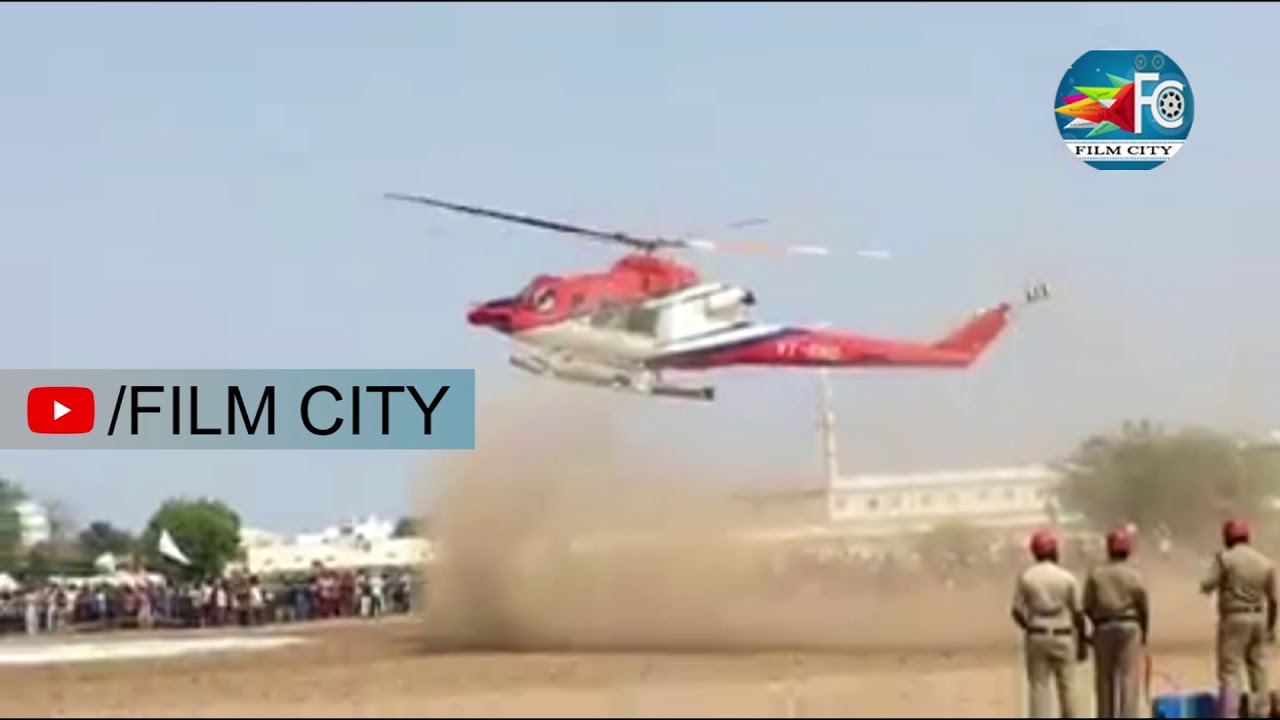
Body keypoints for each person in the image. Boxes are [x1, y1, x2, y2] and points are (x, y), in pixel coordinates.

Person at [1200, 518, 1278, 716]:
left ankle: (1230, 713)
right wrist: (1270, 627)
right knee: (1259, 668)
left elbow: (1206, 584)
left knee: (1230, 670)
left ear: (1227, 537)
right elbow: (1275, 599)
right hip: (1259, 617)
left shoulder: (1225, 559)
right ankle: (1262, 712)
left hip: (1234, 618)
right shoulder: (1265, 561)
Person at [1011, 528, 1088, 718]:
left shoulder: (1027, 577)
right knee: (1068, 688)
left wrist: (1029, 627)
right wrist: (1082, 641)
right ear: (1054, 550)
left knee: (1038, 689)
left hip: (1037, 634)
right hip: (1063, 634)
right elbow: (1078, 612)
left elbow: (1016, 611)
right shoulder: (1067, 577)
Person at [1084, 527, 1149, 718]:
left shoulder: (1096, 574)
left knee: (1104, 680)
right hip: (1130, 627)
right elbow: (1143, 605)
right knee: (1128, 678)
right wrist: (1144, 632)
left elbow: (1087, 605)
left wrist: (1094, 625)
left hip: (1103, 627)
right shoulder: (1134, 574)